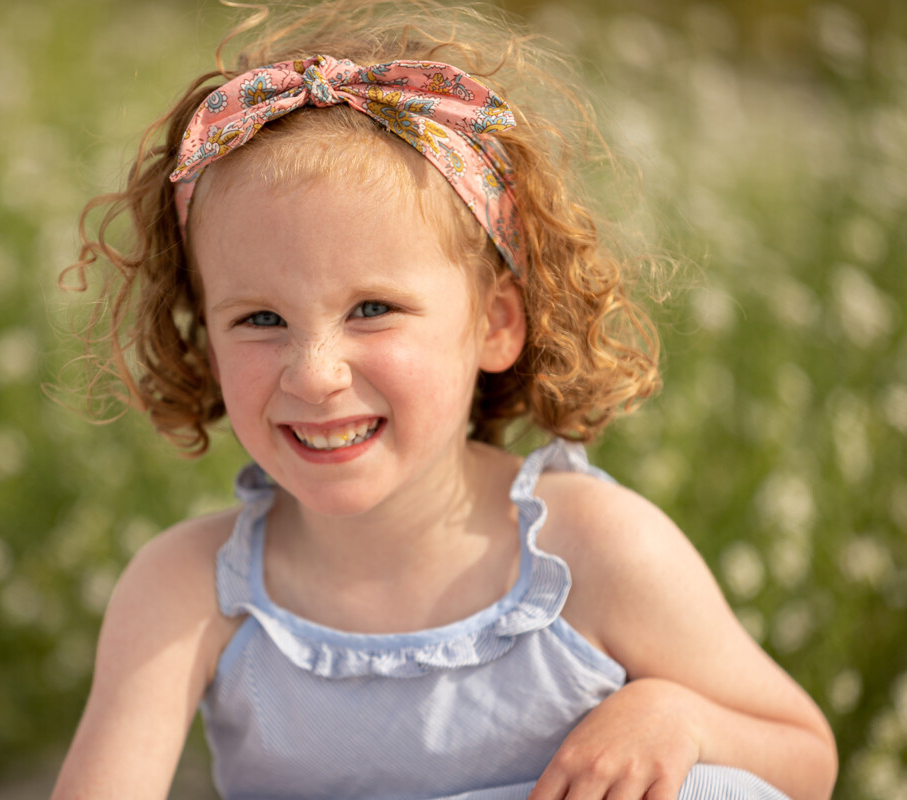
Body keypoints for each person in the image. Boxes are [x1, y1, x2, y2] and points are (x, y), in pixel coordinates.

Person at [51, 2, 837, 798]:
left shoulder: (596, 552)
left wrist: (678, 716)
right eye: (260, 319)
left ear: (495, 323)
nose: (314, 373)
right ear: (205, 343)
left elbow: (804, 756)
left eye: (372, 310)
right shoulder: (189, 589)